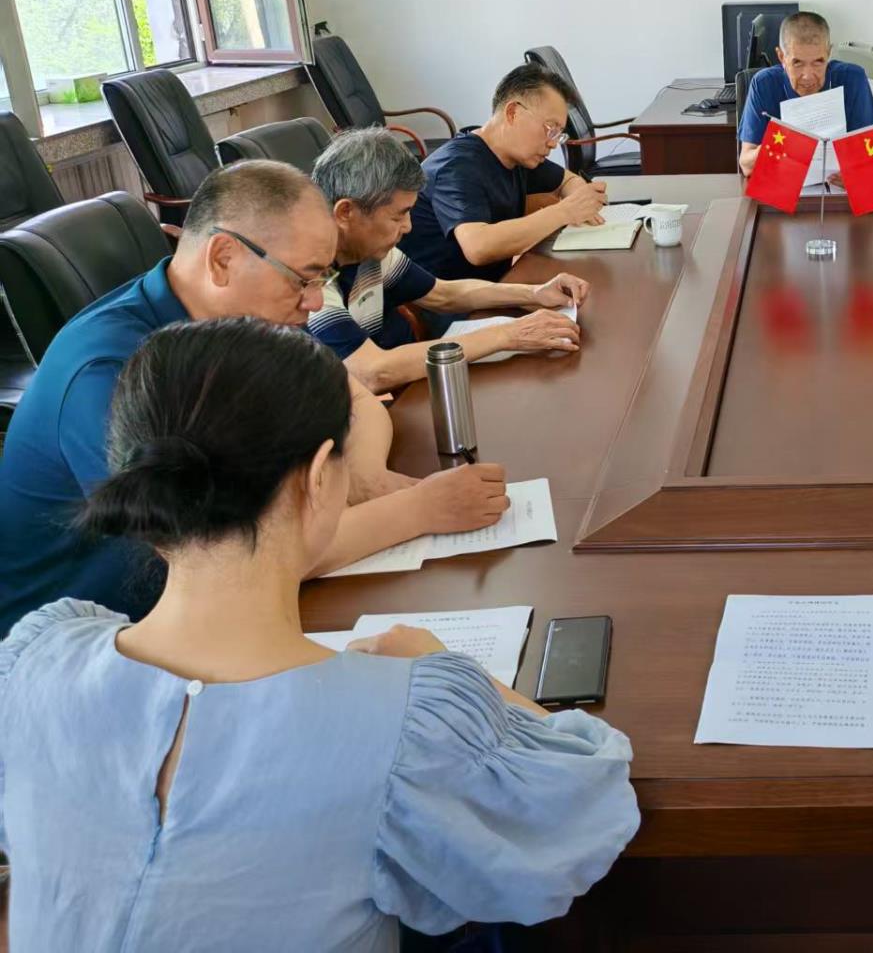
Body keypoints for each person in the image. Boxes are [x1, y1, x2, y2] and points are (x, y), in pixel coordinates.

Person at [0, 318, 639, 950]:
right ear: (318, 476)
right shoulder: (404, 726)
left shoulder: (33, 657)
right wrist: (452, 672)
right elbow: (587, 805)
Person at [0, 161, 509, 637]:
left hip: (204, 612)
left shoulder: (247, 314)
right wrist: (418, 510)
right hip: (83, 646)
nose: (315, 301)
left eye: (323, 278)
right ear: (223, 258)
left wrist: (368, 476)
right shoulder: (110, 369)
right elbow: (221, 561)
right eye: (304, 278)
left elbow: (356, 400)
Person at [310, 128, 588, 394]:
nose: (408, 226)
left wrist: (533, 293)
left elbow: (442, 294)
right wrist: (510, 335)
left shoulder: (366, 249)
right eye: (398, 215)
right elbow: (373, 372)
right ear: (346, 213)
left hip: (411, 385)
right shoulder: (309, 280)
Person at [401, 63, 607, 284]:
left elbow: (568, 180)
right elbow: (478, 247)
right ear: (513, 113)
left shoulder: (516, 155)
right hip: (444, 298)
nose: (553, 143)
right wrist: (565, 211)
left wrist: (581, 202)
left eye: (558, 134)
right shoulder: (456, 167)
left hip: (492, 287)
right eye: (550, 129)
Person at [737, 11, 873, 177]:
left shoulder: (852, 79)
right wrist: (777, 146)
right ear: (781, 56)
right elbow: (746, 165)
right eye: (797, 63)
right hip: (783, 185)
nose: (808, 76)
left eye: (818, 62)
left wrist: (855, 173)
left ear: (828, 53)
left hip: (837, 189)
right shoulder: (764, 84)